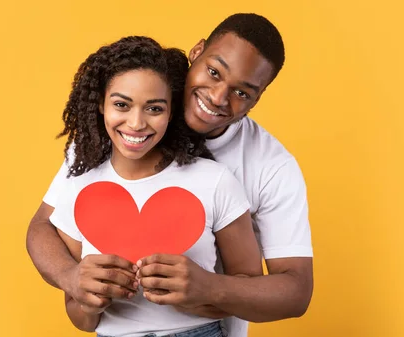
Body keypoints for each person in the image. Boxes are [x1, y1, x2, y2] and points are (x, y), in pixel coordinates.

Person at [27, 13, 314, 337]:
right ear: (196, 52)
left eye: (242, 93)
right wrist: (72, 279)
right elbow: (43, 227)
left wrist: (209, 287)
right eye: (214, 71)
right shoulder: (112, 134)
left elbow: (296, 289)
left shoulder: (268, 167)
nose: (218, 97)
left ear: (257, 98)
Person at [49, 36, 263, 337]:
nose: (136, 123)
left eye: (154, 109)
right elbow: (80, 319)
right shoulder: (79, 188)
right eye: (122, 104)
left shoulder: (215, 181)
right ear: (101, 104)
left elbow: (252, 296)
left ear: (171, 110)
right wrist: (91, 301)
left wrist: (199, 294)